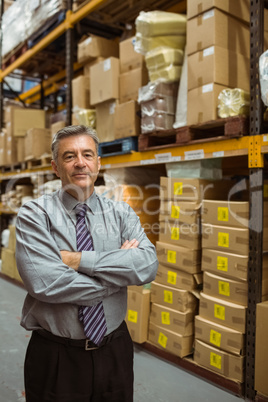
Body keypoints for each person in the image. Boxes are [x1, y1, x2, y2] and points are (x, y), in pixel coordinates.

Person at [15, 125, 158, 402]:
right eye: (69, 156)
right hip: (56, 357)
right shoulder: (35, 215)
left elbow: (147, 266)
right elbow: (45, 282)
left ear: (98, 163)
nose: (80, 163)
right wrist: (117, 276)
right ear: (56, 167)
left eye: (87, 154)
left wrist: (75, 260)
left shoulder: (121, 213)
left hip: (114, 349)